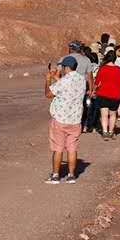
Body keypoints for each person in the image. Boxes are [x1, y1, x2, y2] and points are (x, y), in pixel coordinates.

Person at [44, 55, 85, 184]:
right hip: (75, 120)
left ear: (66, 67)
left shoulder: (63, 81)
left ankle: (56, 175)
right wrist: (57, 78)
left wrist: (48, 79)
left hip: (61, 119)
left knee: (58, 148)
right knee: (72, 149)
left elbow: (48, 94)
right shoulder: (81, 79)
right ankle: (71, 175)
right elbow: (66, 86)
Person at [93, 49, 120, 139]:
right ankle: (111, 131)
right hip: (115, 95)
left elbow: (97, 82)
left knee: (104, 114)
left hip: (103, 94)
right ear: (115, 58)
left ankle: (105, 133)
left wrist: (94, 90)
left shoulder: (103, 68)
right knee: (113, 114)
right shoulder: (118, 69)